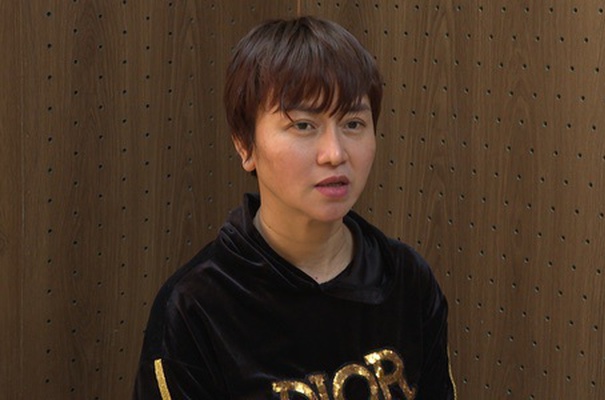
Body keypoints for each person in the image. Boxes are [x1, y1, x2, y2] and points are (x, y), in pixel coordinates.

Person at [133, 16, 456, 399]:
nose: (335, 153)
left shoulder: (406, 279)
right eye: (303, 125)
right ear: (245, 144)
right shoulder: (196, 305)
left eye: (353, 123)